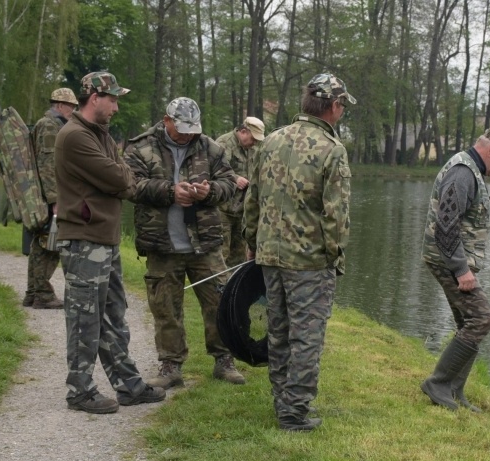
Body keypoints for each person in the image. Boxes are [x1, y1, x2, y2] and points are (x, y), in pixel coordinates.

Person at [244, 73, 355, 432]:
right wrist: (335, 256)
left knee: (278, 331)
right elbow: (335, 215)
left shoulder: (271, 142)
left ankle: (283, 401)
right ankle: (294, 412)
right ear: (334, 107)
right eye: (342, 106)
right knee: (307, 336)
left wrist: (252, 243)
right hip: (310, 261)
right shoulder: (331, 150)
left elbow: (252, 200)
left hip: (270, 255)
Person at [55, 71, 166, 414]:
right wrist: (121, 179)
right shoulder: (74, 136)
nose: (117, 106)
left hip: (105, 239)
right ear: (95, 98)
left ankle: (127, 385)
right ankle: (80, 390)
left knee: (113, 313)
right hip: (84, 241)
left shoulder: (99, 134)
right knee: (84, 318)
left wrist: (121, 179)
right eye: (113, 99)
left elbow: (125, 178)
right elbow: (120, 177)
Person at [124, 97, 245, 390]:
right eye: (183, 129)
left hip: (205, 243)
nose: (189, 135)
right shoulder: (140, 146)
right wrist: (169, 192)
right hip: (161, 243)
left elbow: (230, 182)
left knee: (220, 302)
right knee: (165, 307)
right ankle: (170, 366)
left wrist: (209, 191)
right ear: (167, 121)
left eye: (193, 129)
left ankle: (224, 361)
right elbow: (128, 184)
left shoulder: (210, 147)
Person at [419, 126, 490, 412]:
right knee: (482, 318)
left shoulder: (470, 169)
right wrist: (461, 270)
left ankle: (452, 390)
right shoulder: (463, 173)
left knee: (468, 323)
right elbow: (445, 225)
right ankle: (438, 383)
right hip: (448, 261)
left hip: (449, 259)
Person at [22, 88, 78, 309]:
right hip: (49, 196)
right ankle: (43, 295)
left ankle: (33, 293)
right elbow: (47, 165)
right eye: (71, 106)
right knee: (50, 245)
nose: (73, 111)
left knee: (41, 244)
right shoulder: (50, 126)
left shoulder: (52, 124)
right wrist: (55, 199)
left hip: (44, 194)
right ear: (60, 105)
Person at [215, 117, 266, 267]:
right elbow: (213, 170)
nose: (254, 142)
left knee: (239, 256)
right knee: (221, 253)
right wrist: (234, 178)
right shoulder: (223, 144)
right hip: (223, 209)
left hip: (243, 210)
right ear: (243, 132)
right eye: (253, 138)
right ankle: (218, 289)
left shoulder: (254, 148)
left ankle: (235, 288)